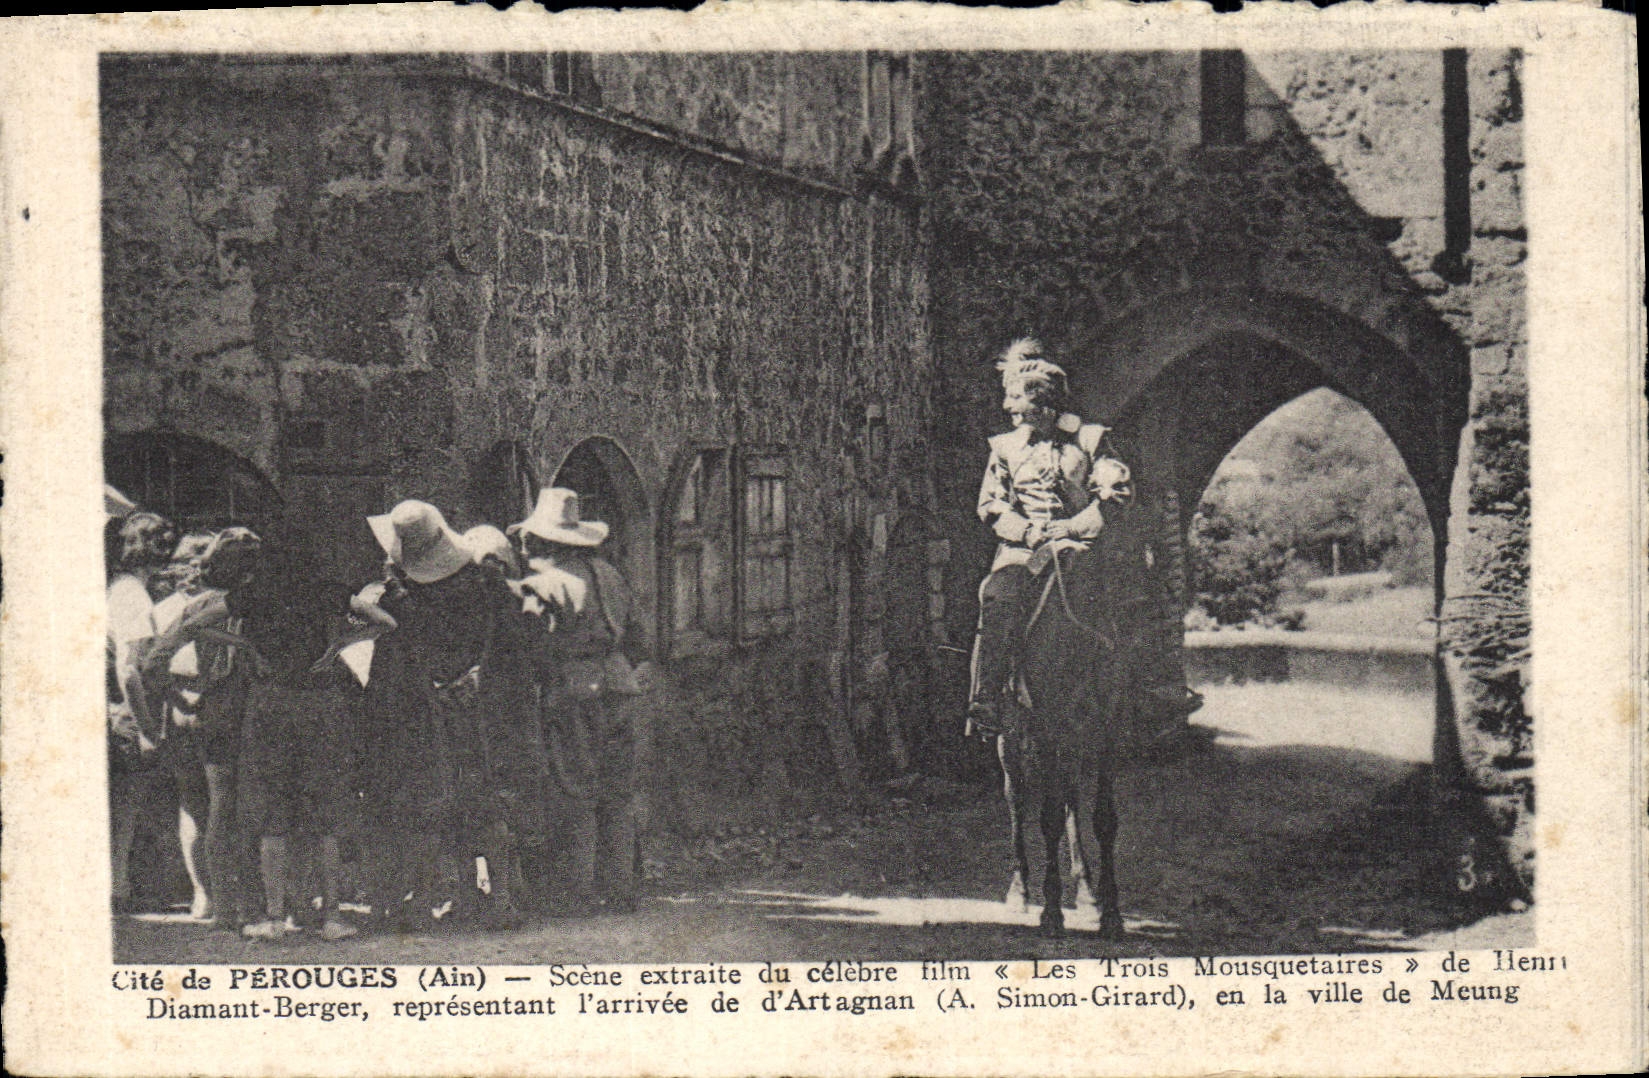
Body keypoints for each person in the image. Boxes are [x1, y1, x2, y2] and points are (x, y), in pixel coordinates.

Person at [966, 338, 1132, 740]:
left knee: (1124, 597)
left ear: (1042, 401)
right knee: (998, 595)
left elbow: (1114, 492)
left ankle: (1133, 695)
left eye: (1015, 398)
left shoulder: (1090, 440)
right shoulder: (1004, 448)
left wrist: (1075, 526)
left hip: (1080, 545)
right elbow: (991, 504)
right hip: (1023, 548)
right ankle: (987, 697)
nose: (1008, 407)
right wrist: (1026, 530)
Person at [510, 488, 652, 914]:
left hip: (575, 687)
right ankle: (622, 886)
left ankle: (579, 889)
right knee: (619, 790)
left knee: (577, 787)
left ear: (544, 540)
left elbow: (532, 644)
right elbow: (638, 637)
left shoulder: (542, 584)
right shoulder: (611, 574)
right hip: (619, 684)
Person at [356, 500, 492, 932]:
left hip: (396, 707)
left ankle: (393, 901)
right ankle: (449, 896)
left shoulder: (391, 601)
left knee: (395, 801)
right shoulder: (472, 588)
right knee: (444, 801)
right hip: (447, 704)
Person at [235, 568, 364, 943]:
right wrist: (339, 644)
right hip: (321, 705)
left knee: (274, 817)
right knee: (324, 819)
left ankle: (276, 916)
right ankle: (332, 916)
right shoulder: (327, 593)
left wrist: (246, 646)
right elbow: (384, 621)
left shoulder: (256, 595)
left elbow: (194, 625)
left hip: (272, 704)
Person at [107, 511, 178, 912]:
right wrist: (147, 727)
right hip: (129, 710)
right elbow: (129, 667)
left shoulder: (126, 588)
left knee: (129, 804)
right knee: (128, 803)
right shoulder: (132, 594)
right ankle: (120, 888)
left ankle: (125, 884)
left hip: (125, 707)